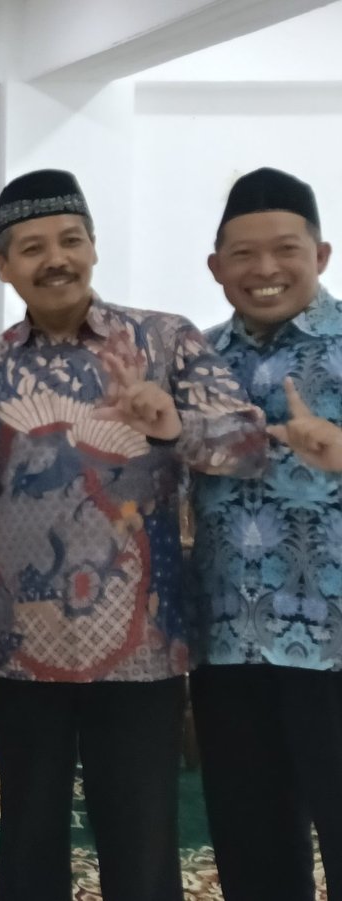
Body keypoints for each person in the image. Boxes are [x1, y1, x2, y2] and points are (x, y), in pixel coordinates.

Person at [0, 169, 267, 901]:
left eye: (70, 240)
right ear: (2, 266)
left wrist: (173, 427)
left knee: (141, 836)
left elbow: (249, 446)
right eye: (32, 248)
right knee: (28, 835)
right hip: (22, 648)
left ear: (93, 246)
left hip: (141, 646)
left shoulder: (164, 340)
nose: (55, 259)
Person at [191, 167, 342, 901]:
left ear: (322, 254)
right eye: (243, 254)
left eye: (285, 249)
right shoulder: (196, 359)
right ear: (216, 266)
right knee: (252, 853)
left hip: (335, 643)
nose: (265, 269)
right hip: (229, 643)